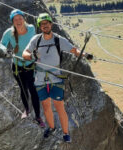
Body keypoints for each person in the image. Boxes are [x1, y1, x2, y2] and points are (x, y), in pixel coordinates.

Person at [22, 13, 82, 143]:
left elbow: (73, 50)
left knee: (59, 106)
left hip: (55, 78)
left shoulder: (58, 39)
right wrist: (29, 56)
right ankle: (52, 127)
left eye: (47, 23)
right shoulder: (36, 40)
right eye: (42, 24)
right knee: (46, 105)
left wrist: (83, 54)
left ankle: (66, 133)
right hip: (40, 78)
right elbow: (25, 53)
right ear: (40, 26)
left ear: (51, 24)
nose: (45, 26)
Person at [0, 9, 43, 127]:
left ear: (24, 19)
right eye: (15, 19)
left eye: (20, 18)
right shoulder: (9, 32)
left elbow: (35, 42)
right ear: (12, 21)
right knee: (23, 89)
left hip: (30, 65)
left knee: (33, 90)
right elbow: (2, 44)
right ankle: (26, 110)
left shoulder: (32, 29)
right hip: (17, 65)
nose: (18, 21)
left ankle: (38, 116)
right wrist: (6, 50)